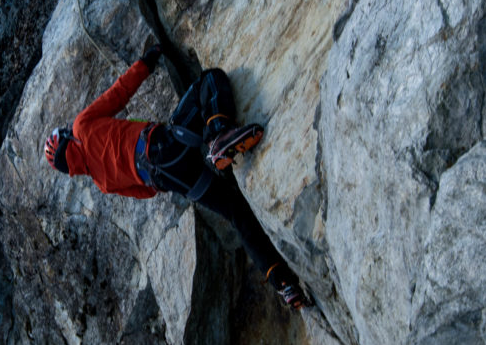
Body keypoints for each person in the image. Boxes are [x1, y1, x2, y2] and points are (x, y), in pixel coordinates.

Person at [44, 45, 310, 309]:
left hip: (174, 179)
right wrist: (146, 63)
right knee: (209, 80)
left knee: (235, 210)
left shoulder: (101, 182)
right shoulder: (82, 126)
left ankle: (283, 283)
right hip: (164, 145)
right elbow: (118, 94)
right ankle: (219, 134)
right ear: (68, 138)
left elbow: (145, 192)